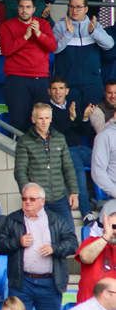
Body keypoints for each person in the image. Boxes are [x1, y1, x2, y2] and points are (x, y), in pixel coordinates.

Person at [0, 182, 77, 310]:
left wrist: (54, 248)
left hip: (50, 282)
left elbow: (72, 243)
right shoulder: (12, 219)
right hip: (22, 283)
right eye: (24, 199)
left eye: (32, 199)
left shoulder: (56, 219)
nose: (27, 202)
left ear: (42, 201)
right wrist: (18, 242)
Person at [0, 0, 57, 131]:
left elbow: (52, 47)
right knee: (18, 119)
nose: (24, 10)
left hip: (41, 78)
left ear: (34, 9)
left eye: (28, 7)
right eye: (21, 7)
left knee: (42, 121)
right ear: (17, 8)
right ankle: (17, 150)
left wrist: (38, 34)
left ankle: (39, 151)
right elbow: (6, 50)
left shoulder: (43, 24)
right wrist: (25, 36)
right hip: (17, 78)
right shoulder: (7, 26)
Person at [14, 102, 78, 224]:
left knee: (69, 234)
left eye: (47, 118)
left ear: (51, 119)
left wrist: (74, 192)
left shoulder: (60, 138)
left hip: (60, 198)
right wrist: (29, 196)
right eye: (40, 118)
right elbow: (20, 171)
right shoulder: (24, 141)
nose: (44, 122)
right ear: (33, 119)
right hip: (37, 200)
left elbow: (68, 167)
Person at [53, 0, 114, 107]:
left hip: (92, 83)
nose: (74, 10)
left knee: (92, 120)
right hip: (68, 83)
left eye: (78, 7)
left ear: (86, 9)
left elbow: (109, 44)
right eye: (71, 7)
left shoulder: (94, 25)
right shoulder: (60, 26)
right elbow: (54, 49)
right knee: (71, 119)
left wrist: (93, 32)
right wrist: (68, 34)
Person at [49, 78, 96, 217]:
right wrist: (70, 118)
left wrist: (85, 118)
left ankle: (105, 199)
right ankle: (86, 212)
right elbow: (56, 134)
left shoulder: (73, 105)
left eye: (61, 88)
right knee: (79, 172)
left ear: (67, 91)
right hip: (64, 150)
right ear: (49, 91)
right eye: (54, 89)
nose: (58, 92)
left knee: (107, 160)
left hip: (80, 148)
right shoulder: (46, 109)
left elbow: (84, 132)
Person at [76, 200, 116, 303]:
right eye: (112, 227)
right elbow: (85, 257)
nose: (114, 231)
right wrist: (106, 236)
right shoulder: (92, 241)